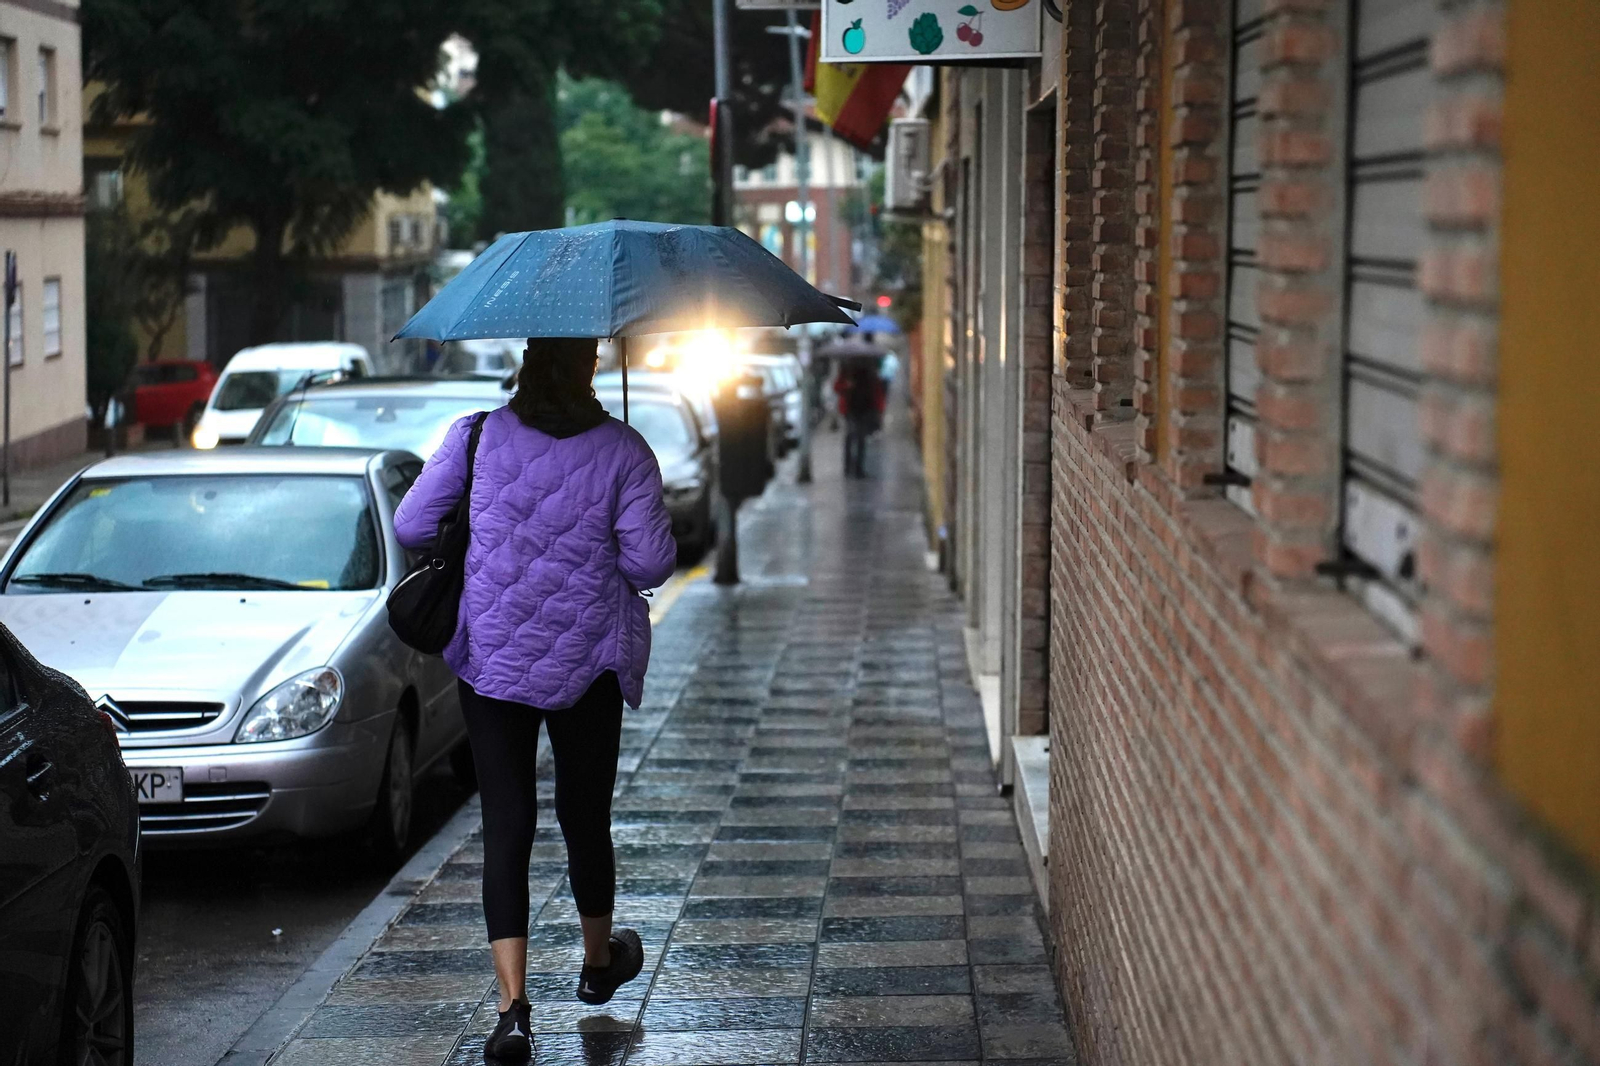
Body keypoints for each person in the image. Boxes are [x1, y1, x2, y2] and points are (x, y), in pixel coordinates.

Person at [394, 337, 677, 1063]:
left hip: (494, 656)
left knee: (507, 821)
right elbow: (649, 562)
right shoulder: (623, 449)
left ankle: (513, 1009)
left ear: (526, 364)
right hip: (588, 663)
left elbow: (413, 526)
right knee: (585, 814)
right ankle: (595, 962)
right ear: (588, 369)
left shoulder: (477, 434)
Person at [834, 362, 886, 478]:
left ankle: (858, 468)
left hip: (864, 409)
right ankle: (848, 467)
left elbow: (877, 392)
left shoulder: (870, 373)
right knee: (851, 436)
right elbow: (837, 387)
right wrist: (847, 386)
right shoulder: (846, 372)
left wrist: (879, 409)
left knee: (860, 438)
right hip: (850, 409)